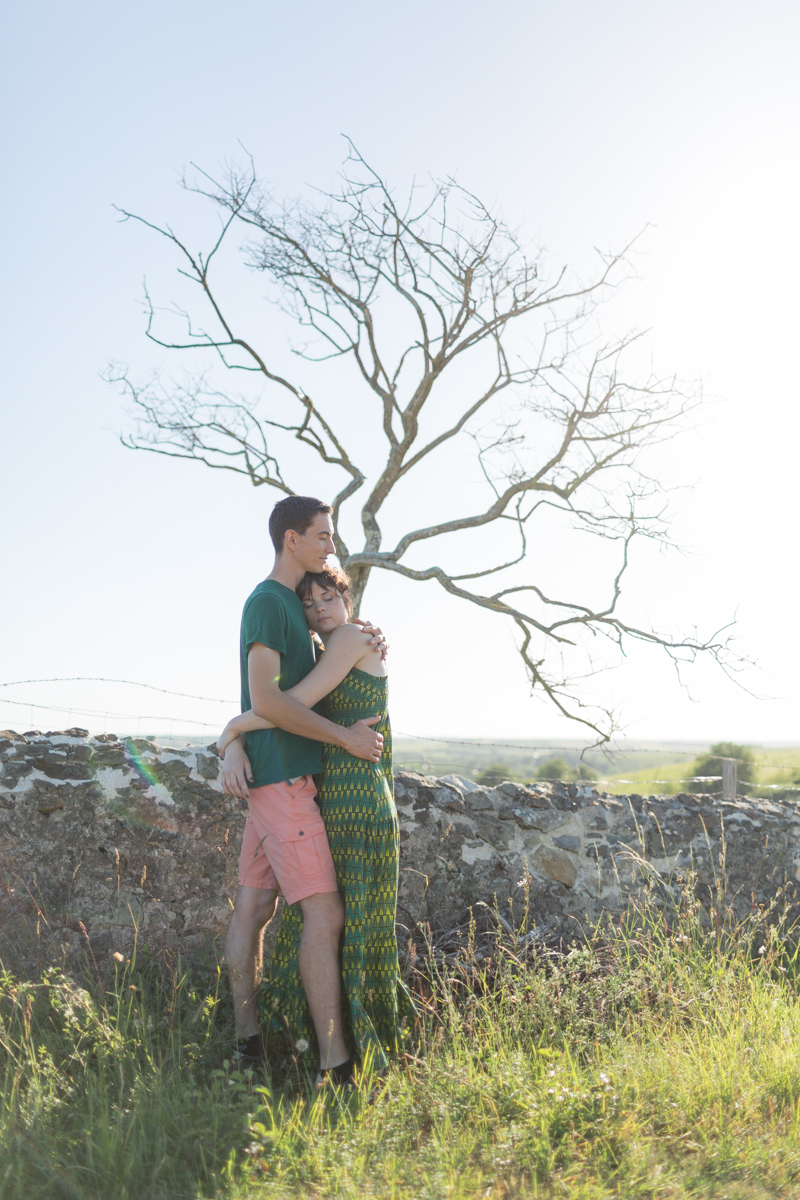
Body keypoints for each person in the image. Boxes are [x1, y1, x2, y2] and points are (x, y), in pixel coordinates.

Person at [219, 562, 415, 1085]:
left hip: (357, 802)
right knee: (312, 918)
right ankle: (307, 1048)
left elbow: (291, 705)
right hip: (322, 796)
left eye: (330, 596)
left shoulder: (353, 637)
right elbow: (288, 709)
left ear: (347, 601)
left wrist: (233, 728)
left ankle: (353, 1046)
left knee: (347, 921)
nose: (320, 607)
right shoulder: (329, 651)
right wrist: (235, 740)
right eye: (311, 603)